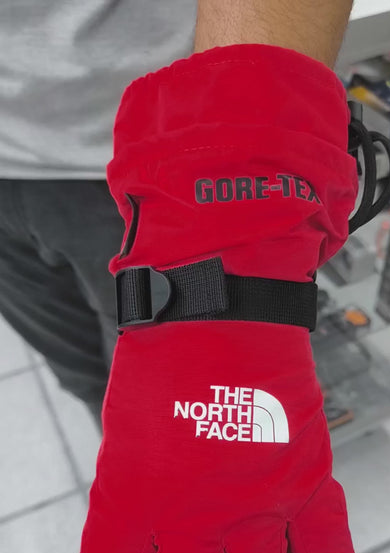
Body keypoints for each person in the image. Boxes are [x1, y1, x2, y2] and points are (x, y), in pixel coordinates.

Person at [0, 0, 352, 426]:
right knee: (78, 367)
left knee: (178, 398)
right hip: (12, 166)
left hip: (147, 163)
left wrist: (242, 168)